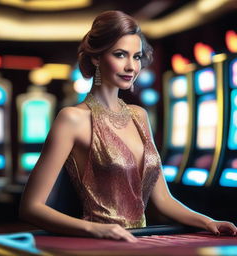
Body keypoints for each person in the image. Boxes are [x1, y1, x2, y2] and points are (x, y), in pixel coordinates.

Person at [19, 10, 237, 243]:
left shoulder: (139, 116)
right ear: (96, 57)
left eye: (137, 57)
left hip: (139, 240)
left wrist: (208, 221)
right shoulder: (72, 118)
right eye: (121, 55)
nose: (132, 66)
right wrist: (94, 229)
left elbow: (163, 200)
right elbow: (31, 207)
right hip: (97, 243)